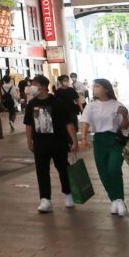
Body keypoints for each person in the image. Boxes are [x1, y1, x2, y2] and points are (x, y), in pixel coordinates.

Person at [24, 74, 78, 213]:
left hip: (58, 141)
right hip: (40, 143)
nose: (32, 87)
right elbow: (29, 124)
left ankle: (68, 194)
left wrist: (74, 141)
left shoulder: (57, 102)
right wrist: (29, 140)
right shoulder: (32, 104)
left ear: (43, 86)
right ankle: (45, 199)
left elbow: (68, 123)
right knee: (41, 170)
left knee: (63, 168)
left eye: (35, 84)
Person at [78, 79, 129, 216]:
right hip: (99, 140)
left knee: (114, 168)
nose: (95, 88)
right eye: (94, 86)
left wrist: (124, 116)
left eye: (98, 86)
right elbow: (85, 123)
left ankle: (120, 199)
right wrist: (83, 139)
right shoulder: (91, 106)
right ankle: (114, 199)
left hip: (115, 140)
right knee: (103, 171)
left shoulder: (117, 105)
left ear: (106, 89)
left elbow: (125, 126)